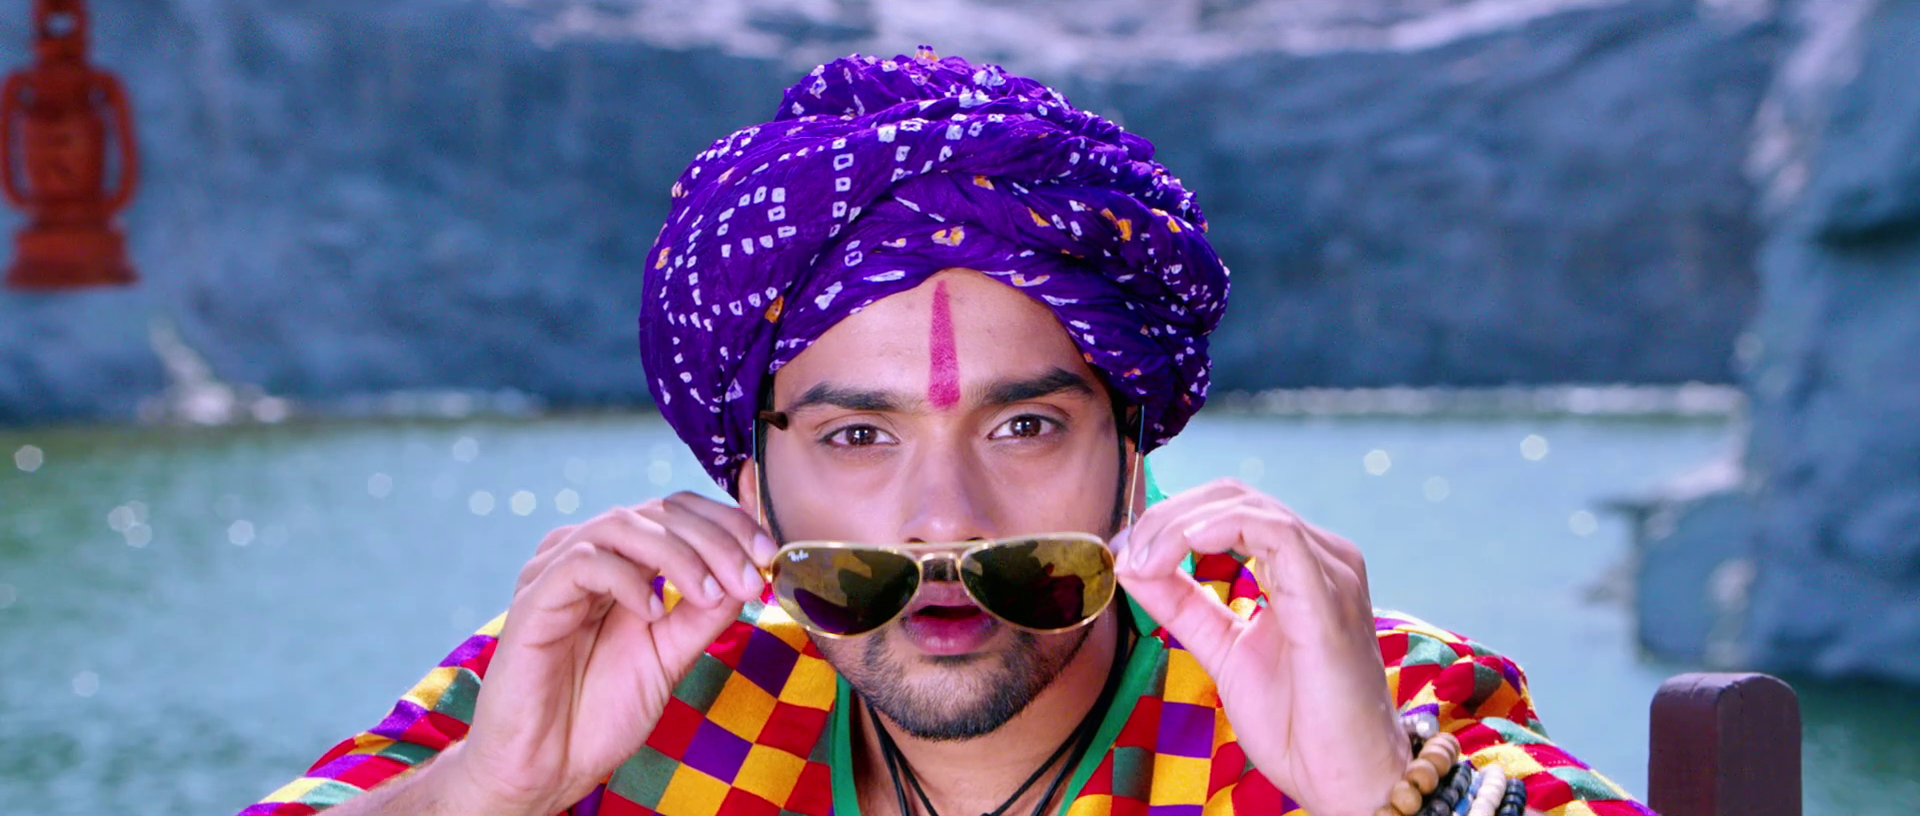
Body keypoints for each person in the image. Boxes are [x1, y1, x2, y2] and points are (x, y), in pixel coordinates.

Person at [241, 50, 1653, 816]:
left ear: (1134, 453)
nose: (944, 520)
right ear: (750, 479)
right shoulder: (588, 685)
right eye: (856, 439)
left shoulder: (1362, 692)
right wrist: (485, 794)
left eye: (1024, 423)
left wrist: (1375, 796)